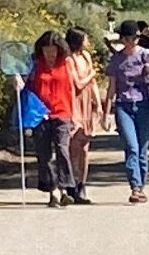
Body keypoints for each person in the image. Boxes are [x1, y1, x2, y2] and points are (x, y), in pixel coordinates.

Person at [106, 19, 149, 203]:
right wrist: (106, 112)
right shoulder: (117, 60)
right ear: (122, 39)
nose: (133, 41)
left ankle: (141, 185)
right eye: (129, 37)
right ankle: (135, 187)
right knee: (131, 147)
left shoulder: (146, 55)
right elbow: (111, 87)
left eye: (136, 37)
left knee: (142, 150)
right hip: (124, 105)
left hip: (144, 105)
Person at [27, 30, 78, 207]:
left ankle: (65, 188)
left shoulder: (66, 63)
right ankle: (52, 190)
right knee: (44, 154)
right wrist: (17, 81)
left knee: (63, 149)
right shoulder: (35, 64)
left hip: (62, 112)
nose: (50, 52)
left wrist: (74, 115)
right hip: (40, 114)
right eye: (46, 49)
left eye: (53, 49)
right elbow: (27, 86)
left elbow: (72, 89)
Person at [64, 27, 102, 204]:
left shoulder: (86, 57)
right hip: (75, 103)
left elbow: (92, 83)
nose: (88, 42)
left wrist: (99, 104)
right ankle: (70, 185)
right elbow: (78, 83)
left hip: (87, 104)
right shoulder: (69, 60)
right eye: (85, 39)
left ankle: (82, 184)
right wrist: (92, 73)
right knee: (74, 146)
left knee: (85, 148)